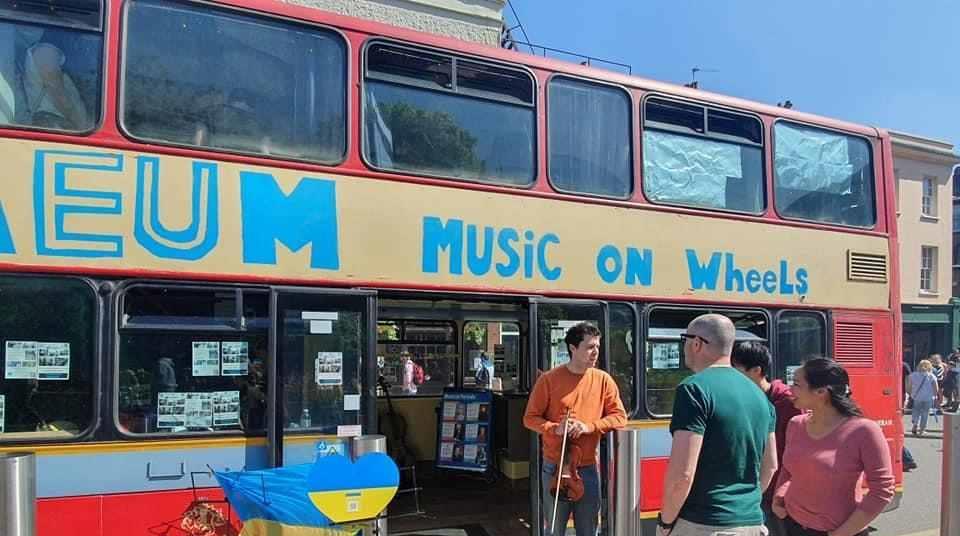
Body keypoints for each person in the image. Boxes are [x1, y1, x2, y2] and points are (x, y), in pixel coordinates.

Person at [658, 315, 777, 536]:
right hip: (752, 523)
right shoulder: (760, 396)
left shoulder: (694, 389)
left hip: (704, 523)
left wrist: (665, 523)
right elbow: (770, 466)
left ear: (696, 343)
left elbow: (682, 475)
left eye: (684, 339)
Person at [523, 322, 626, 536]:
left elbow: (620, 417)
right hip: (554, 468)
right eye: (589, 347)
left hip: (587, 468)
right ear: (572, 348)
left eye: (597, 346)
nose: (595, 352)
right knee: (554, 529)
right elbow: (529, 419)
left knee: (588, 529)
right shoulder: (548, 380)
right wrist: (554, 428)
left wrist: (589, 427)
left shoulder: (603, 380)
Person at [772, 358, 894, 536]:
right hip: (793, 525)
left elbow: (882, 490)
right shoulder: (795, 424)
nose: (790, 389)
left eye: (797, 384)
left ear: (821, 392)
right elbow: (789, 469)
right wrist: (779, 497)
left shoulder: (864, 430)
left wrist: (842, 533)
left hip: (839, 531)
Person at [732, 341, 801, 536]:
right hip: (755, 487)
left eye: (737, 371)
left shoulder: (788, 404)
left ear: (756, 370)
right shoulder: (745, 399)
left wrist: (782, 492)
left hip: (778, 492)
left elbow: (794, 454)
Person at [907, 359, 940, 436]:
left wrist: (911, 394)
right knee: (925, 413)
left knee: (916, 411)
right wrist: (935, 396)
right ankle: (922, 430)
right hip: (928, 398)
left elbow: (909, 386)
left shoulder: (913, 375)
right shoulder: (931, 376)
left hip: (917, 397)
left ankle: (915, 424)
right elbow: (936, 388)